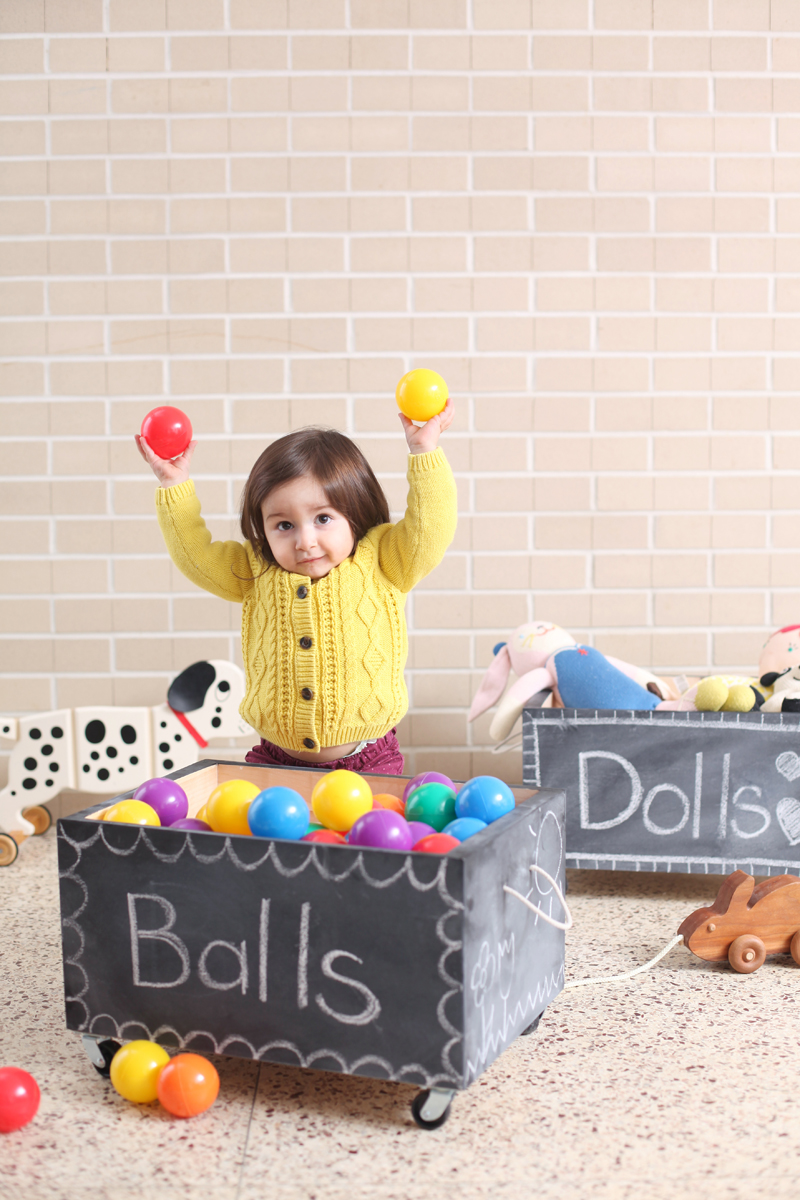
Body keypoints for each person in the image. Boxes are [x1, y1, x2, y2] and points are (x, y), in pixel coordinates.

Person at [135, 400, 457, 776]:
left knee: (366, 835)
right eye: (284, 525)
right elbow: (195, 556)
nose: (305, 540)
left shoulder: (384, 560)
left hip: (369, 758)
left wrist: (424, 452)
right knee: (261, 832)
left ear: (354, 515)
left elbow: (431, 528)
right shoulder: (255, 570)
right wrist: (175, 486)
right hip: (275, 757)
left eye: (323, 518)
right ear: (262, 528)